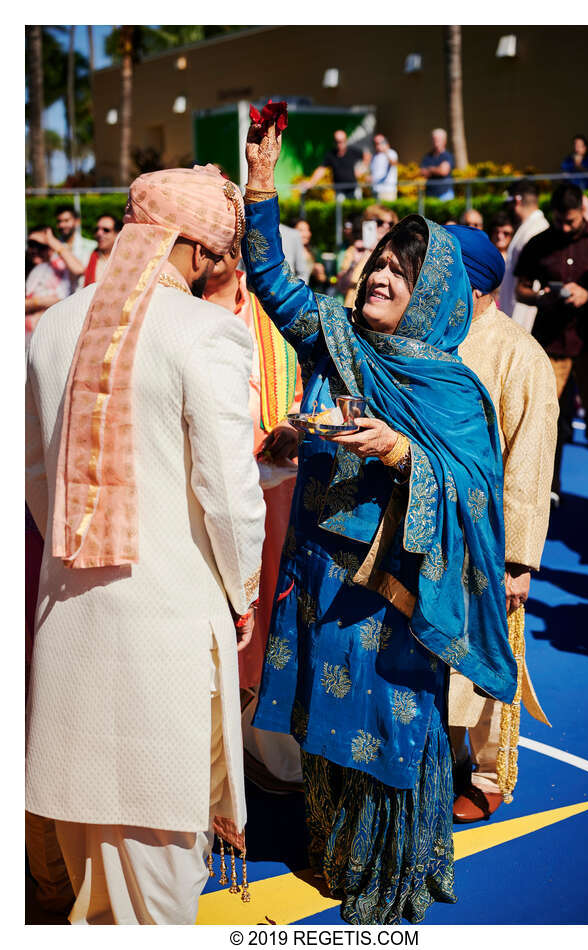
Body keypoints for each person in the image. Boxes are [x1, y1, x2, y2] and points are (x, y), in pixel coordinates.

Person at [242, 111, 517, 924]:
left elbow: (475, 497)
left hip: (394, 596)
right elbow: (270, 277)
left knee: (389, 737)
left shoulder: (453, 393)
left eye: (400, 269)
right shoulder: (340, 344)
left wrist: (403, 454)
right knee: (325, 731)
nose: (377, 276)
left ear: (431, 293)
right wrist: (262, 185)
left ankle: (391, 872)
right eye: (375, 262)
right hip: (323, 577)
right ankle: (334, 850)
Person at [25, 165, 266, 924]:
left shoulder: (54, 324)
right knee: (158, 879)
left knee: (87, 849)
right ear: (194, 248)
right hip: (166, 635)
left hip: (65, 627)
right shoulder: (209, 332)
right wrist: (244, 591)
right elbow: (230, 498)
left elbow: (37, 477)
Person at [444, 225, 557, 821]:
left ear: (474, 282)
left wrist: (517, 560)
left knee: (488, 658)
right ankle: (448, 757)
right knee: (439, 654)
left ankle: (490, 772)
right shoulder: (429, 336)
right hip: (431, 534)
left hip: (489, 542)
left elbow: (531, 463)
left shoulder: (519, 353)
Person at [203, 252, 304, 790]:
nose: (220, 254)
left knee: (272, 615)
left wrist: (290, 424)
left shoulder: (271, 313)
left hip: (273, 493)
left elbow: (302, 390)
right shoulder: (173, 309)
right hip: (197, 496)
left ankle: (268, 751)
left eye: (229, 243)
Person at [515, 183, 588, 507]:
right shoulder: (540, 243)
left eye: (572, 222)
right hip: (552, 343)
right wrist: (540, 297)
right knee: (546, 417)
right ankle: (549, 486)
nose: (565, 227)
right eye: (561, 221)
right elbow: (521, 288)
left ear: (582, 214)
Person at [498, 179, 550, 330]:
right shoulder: (528, 228)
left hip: (524, 319)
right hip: (515, 316)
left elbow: (532, 283)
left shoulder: (537, 230)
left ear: (516, 200)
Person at [336, 205, 398, 308]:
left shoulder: (395, 254)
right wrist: (356, 261)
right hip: (352, 309)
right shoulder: (355, 249)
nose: (386, 227)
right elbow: (342, 286)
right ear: (369, 223)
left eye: (390, 224)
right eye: (380, 222)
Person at [29, 204, 95, 293]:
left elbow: (81, 271)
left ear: (77, 221)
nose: (62, 225)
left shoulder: (91, 246)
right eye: (59, 221)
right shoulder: (50, 247)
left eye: (66, 220)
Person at [25, 230, 70, 338]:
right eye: (31, 245)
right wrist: (40, 301)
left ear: (50, 248)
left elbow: (78, 269)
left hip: (50, 335)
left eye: (41, 246)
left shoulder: (60, 268)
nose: (35, 250)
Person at [301, 129, 368, 198]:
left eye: (342, 141)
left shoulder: (352, 151)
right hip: (339, 191)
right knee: (339, 208)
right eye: (337, 142)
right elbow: (321, 169)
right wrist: (311, 182)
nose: (340, 144)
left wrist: (361, 169)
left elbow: (367, 156)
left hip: (353, 188)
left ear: (346, 140)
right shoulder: (331, 155)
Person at [83, 214, 122, 285]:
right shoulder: (88, 255)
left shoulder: (126, 259)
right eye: (96, 229)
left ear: (118, 234)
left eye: (106, 230)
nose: (99, 233)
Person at [419, 128, 455, 200]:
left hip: (445, 194)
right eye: (434, 139)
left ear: (444, 141)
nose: (435, 141)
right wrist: (437, 169)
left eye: (438, 139)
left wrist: (430, 169)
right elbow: (422, 172)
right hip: (430, 195)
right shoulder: (427, 156)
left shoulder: (447, 156)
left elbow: (443, 171)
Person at [370, 133, 399, 202]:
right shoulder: (374, 156)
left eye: (379, 143)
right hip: (376, 190)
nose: (377, 145)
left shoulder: (391, 153)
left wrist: (386, 151)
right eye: (375, 143)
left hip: (388, 191)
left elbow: (394, 163)